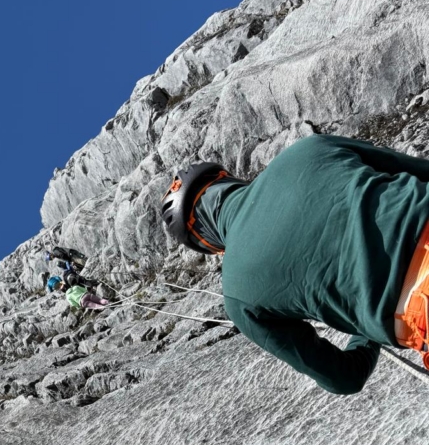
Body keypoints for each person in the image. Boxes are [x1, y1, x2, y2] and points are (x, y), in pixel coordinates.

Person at [160, 134, 429, 394]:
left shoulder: (237, 294)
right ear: (225, 179)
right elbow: (420, 169)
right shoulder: (309, 148)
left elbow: (346, 377)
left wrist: (367, 329)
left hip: (419, 308)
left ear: (204, 242)